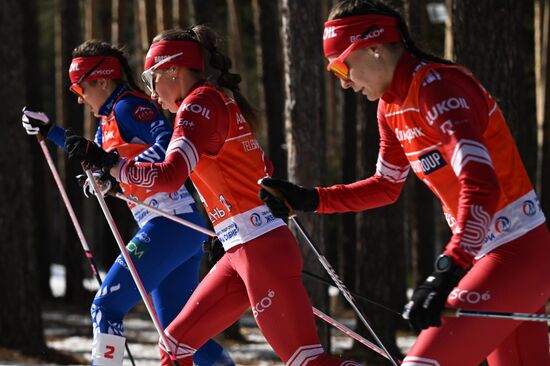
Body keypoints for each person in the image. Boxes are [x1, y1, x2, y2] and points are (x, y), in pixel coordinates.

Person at [258, 1, 550, 365]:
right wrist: (309, 199)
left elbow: (482, 182)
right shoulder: (390, 107)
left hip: (516, 253)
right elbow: (385, 186)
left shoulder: (438, 87)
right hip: (488, 256)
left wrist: (449, 268)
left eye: (340, 66)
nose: (344, 83)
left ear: (374, 48)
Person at [62, 27, 362, 366]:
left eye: (152, 78)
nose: (152, 93)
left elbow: (170, 174)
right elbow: (260, 166)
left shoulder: (198, 105)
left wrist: (113, 165)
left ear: (173, 70)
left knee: (308, 361)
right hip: (241, 248)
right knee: (174, 346)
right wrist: (227, 225)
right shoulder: (214, 101)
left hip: (260, 249)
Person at [21, 39, 234, 366]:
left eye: (80, 90)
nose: (79, 100)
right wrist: (50, 131)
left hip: (170, 224)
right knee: (178, 336)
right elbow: (95, 154)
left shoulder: (129, 107)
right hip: (175, 227)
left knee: (106, 307)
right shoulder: (108, 119)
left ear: (103, 81)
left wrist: (115, 173)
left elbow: (167, 146)